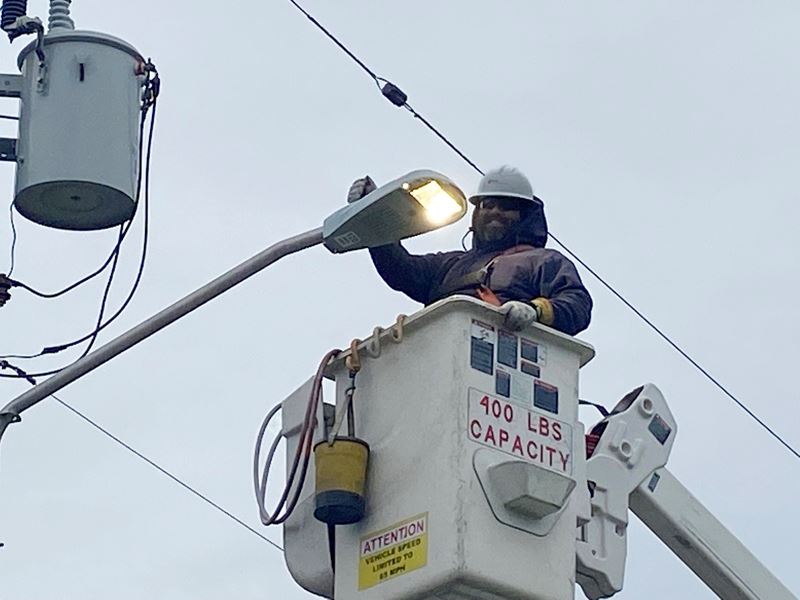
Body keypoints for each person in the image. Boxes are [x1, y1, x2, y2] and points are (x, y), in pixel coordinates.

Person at [348, 166, 592, 335]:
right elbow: (401, 270)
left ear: (524, 216)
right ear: (477, 213)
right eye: (488, 205)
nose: (495, 212)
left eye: (507, 207)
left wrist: (535, 310)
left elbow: (577, 304)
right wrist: (374, 215)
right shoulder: (450, 265)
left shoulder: (544, 261)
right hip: (441, 355)